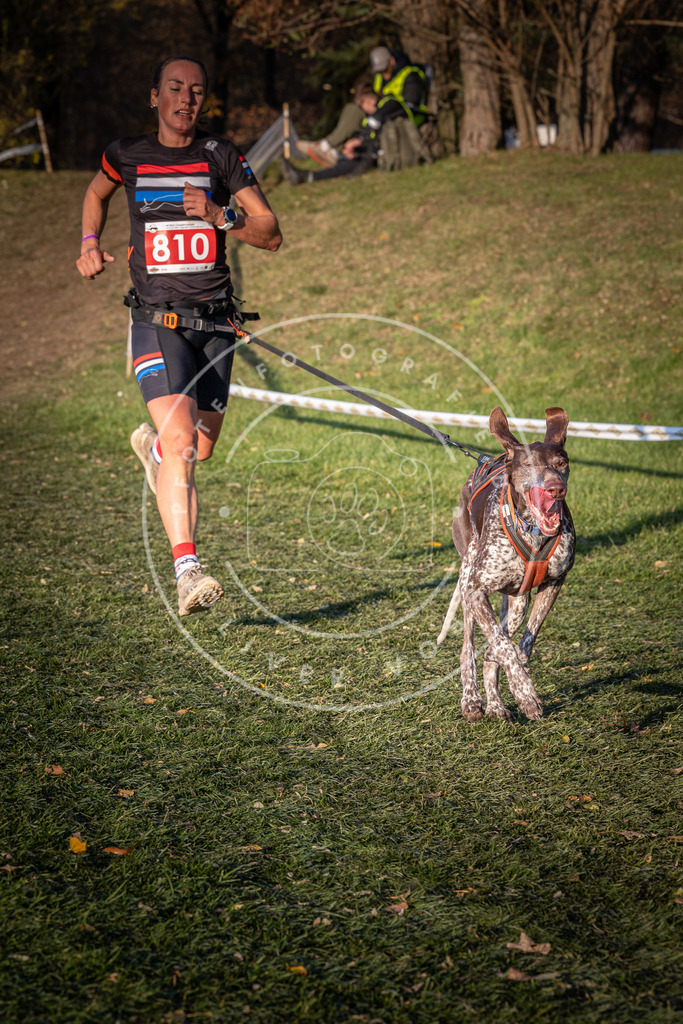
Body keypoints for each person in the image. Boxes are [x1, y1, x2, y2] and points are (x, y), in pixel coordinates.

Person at [76, 56, 282, 617]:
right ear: (154, 97)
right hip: (156, 319)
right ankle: (187, 571)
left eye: (195, 91)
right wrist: (90, 241)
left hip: (216, 324)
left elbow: (270, 233)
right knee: (186, 444)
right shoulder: (126, 155)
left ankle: (153, 447)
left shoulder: (222, 156)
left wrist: (221, 216)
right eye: (174, 89)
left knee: (199, 448)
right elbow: (96, 194)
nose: (185, 99)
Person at [369, 46, 430, 129]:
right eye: (379, 71)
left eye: (385, 69)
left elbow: (410, 104)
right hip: (385, 116)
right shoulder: (380, 79)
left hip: (408, 117)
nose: (383, 73)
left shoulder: (410, 74)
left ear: (392, 61)